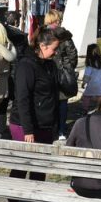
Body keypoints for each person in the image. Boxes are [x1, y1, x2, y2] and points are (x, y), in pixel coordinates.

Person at [7, 27, 66, 202]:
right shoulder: (26, 65)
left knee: (40, 166)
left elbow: (52, 94)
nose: (56, 52)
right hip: (25, 124)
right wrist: (28, 130)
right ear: (42, 46)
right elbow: (22, 99)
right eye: (54, 48)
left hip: (45, 123)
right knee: (21, 164)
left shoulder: (49, 64)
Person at [43, 9, 78, 139]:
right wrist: (69, 67)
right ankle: (61, 130)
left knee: (49, 101)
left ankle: (51, 128)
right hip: (62, 71)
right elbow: (72, 53)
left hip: (46, 71)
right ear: (56, 20)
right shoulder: (63, 34)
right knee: (62, 102)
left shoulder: (42, 34)